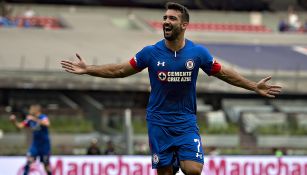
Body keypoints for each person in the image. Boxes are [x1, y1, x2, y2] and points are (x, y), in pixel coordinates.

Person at [60, 2, 282, 175]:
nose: (166, 21)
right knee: (166, 172)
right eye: (165, 18)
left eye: (172, 18)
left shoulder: (198, 53)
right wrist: (88, 69)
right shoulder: (151, 53)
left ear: (184, 25)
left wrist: (254, 86)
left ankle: (179, 158)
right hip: (158, 121)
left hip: (185, 121)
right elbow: (120, 70)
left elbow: (223, 73)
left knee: (193, 169)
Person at [10, 104, 52, 175]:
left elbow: (47, 124)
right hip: (35, 145)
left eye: (31, 109)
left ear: (36, 110)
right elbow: (20, 126)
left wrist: (35, 119)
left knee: (46, 164)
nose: (30, 111)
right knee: (29, 161)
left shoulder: (42, 117)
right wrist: (14, 121)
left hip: (44, 145)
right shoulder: (29, 119)